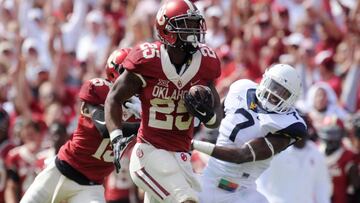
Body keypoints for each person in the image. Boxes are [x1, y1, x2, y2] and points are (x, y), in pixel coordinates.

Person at [105, 0, 222, 202]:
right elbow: (114, 97)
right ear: (166, 28)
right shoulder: (147, 59)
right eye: (186, 24)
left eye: (195, 24)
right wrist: (116, 136)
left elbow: (216, 118)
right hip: (150, 154)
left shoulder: (206, 63)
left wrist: (208, 115)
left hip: (181, 158)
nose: (194, 30)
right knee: (187, 200)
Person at [20, 48, 140, 203]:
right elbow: (105, 128)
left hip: (91, 187)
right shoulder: (98, 89)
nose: (135, 77)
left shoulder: (143, 104)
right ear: (114, 73)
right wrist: (144, 123)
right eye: (128, 71)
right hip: (60, 172)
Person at [191, 64, 307, 203]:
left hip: (243, 190)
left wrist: (194, 144)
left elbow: (241, 155)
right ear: (264, 80)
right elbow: (216, 119)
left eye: (282, 92)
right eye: (274, 86)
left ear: (292, 99)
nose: (274, 94)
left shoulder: (290, 124)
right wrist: (203, 111)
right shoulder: (241, 88)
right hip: (210, 180)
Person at [256, 127, 332, 203]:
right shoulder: (278, 151)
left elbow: (322, 184)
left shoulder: (316, 152)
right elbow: (261, 180)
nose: (301, 135)